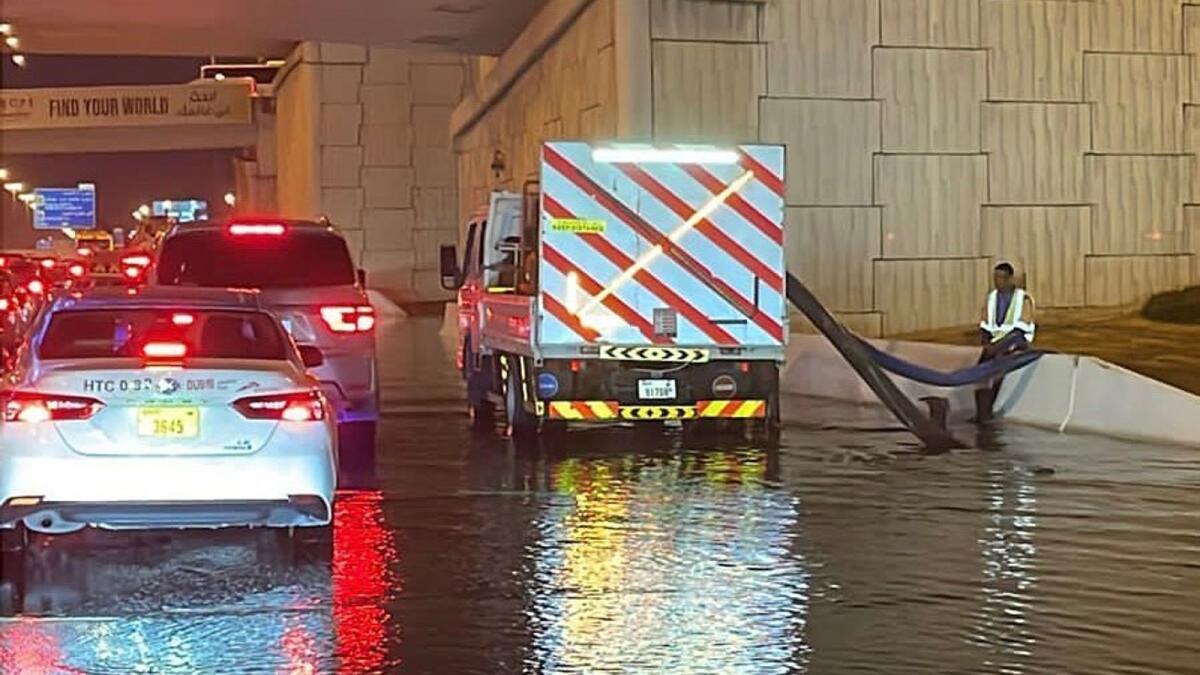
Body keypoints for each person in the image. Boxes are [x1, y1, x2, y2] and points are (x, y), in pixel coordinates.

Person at [974, 262, 1036, 421]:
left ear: (1009, 279)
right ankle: (980, 410)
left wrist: (1000, 345)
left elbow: (1020, 329)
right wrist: (986, 343)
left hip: (1016, 340)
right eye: (995, 278)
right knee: (980, 364)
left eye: (1000, 278)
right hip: (996, 343)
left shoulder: (1023, 298)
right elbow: (985, 325)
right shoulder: (992, 297)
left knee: (999, 366)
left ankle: (989, 409)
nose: (996, 281)